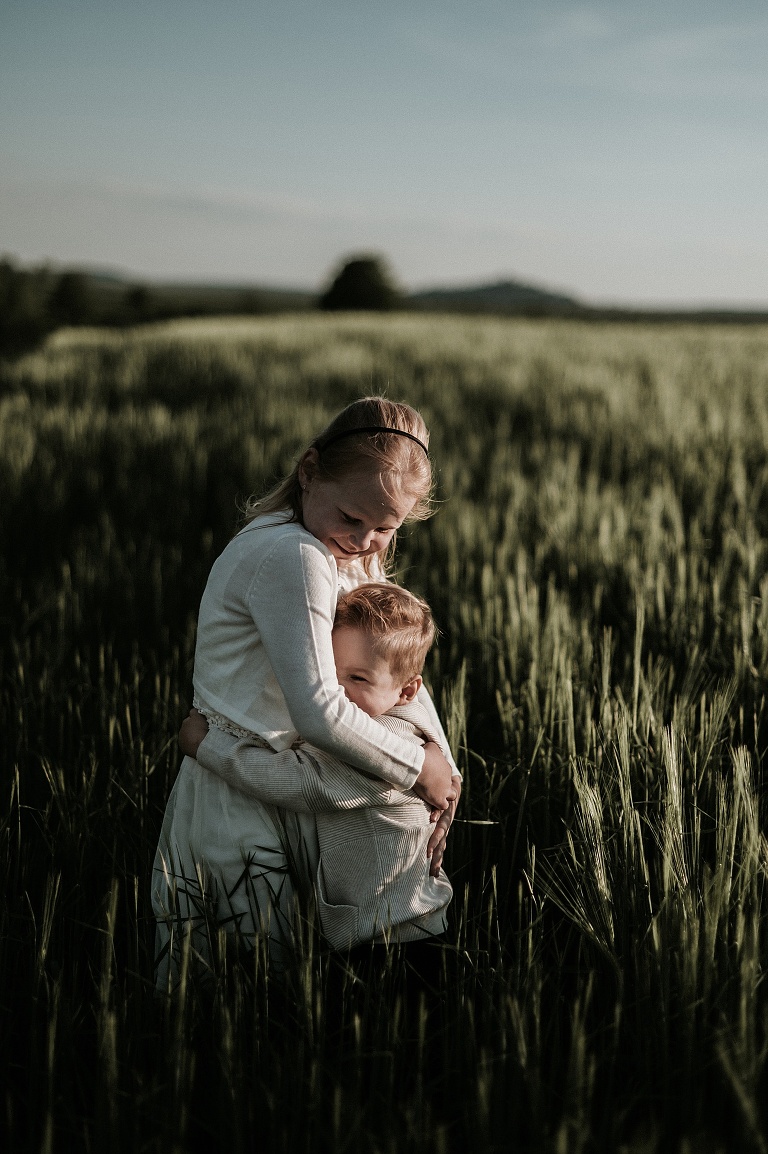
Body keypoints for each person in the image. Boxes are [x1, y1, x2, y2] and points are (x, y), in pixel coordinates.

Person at [152, 397, 460, 989]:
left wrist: (439, 766)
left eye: (386, 528)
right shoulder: (293, 555)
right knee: (246, 1001)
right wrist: (416, 767)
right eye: (353, 517)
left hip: (290, 791)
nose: (367, 539)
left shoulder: (335, 550)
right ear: (309, 470)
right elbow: (321, 713)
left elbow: (395, 676)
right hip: (242, 801)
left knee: (277, 1002)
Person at [175, 582, 456, 954]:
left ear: (407, 690)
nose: (338, 692)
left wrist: (209, 746)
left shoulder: (375, 748)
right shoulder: (406, 717)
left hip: (396, 933)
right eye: (330, 675)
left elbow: (298, 780)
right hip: (396, 921)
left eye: (358, 678)